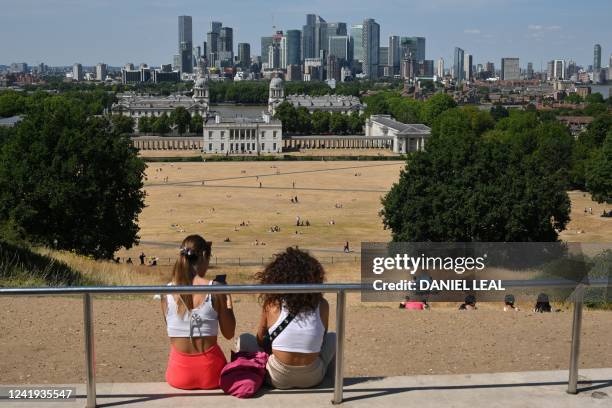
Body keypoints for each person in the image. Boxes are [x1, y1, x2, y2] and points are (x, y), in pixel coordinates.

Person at [236, 247, 335, 389]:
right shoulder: (322, 305)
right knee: (333, 338)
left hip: (278, 377)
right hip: (313, 377)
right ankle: (333, 382)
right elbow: (322, 340)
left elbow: (259, 339)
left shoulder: (272, 304)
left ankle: (248, 379)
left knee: (244, 339)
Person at [161, 235, 236, 390]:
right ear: (203, 256)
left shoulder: (166, 291)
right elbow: (229, 333)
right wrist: (227, 296)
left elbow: (171, 327)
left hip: (178, 375)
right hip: (211, 374)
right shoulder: (215, 289)